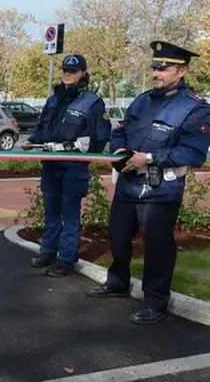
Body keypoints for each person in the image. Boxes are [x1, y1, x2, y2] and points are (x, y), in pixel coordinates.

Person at [86, 41, 210, 325]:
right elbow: (121, 130)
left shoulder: (195, 108)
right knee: (118, 234)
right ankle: (117, 282)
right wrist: (118, 150)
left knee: (157, 245)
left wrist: (151, 157)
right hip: (128, 183)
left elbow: (194, 153)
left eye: (164, 67)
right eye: (155, 66)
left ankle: (155, 300)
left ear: (182, 71)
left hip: (160, 188)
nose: (157, 72)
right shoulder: (142, 100)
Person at [22, 54, 111, 277]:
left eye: (72, 71)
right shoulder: (54, 100)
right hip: (51, 164)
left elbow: (100, 137)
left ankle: (67, 258)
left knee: (69, 214)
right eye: (65, 70)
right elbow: (43, 128)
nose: (67, 74)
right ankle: (48, 251)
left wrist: (80, 150)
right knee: (51, 212)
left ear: (83, 73)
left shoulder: (92, 102)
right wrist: (31, 141)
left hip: (73, 166)